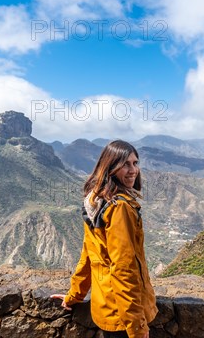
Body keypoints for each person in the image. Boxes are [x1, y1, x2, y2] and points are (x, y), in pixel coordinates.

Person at [51, 140, 158, 338]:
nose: (133, 170)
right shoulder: (120, 208)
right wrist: (136, 326)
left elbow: (89, 256)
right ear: (110, 167)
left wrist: (75, 295)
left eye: (135, 163)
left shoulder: (95, 201)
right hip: (124, 317)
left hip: (107, 309)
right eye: (125, 164)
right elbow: (124, 269)